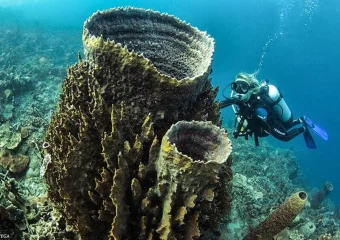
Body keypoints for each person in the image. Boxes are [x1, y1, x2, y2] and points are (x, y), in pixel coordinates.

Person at [220, 72, 328, 148]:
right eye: (236, 87)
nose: (239, 91)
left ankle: (303, 128)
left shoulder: (257, 105)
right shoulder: (240, 100)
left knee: (285, 137)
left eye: (243, 87)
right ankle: (301, 119)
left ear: (250, 88)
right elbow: (222, 104)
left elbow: (264, 128)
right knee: (286, 125)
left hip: (270, 122)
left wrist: (246, 126)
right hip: (271, 118)